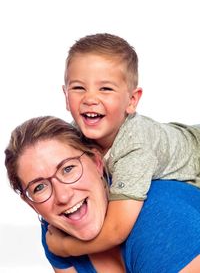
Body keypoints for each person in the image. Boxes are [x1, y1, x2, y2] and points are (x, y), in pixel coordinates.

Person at [46, 32, 200, 258]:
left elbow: (117, 230)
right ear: (65, 94)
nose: (90, 98)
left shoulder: (134, 149)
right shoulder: (74, 135)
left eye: (105, 89)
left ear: (132, 101)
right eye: (79, 88)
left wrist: (65, 248)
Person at [4, 115, 200, 272]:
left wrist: (66, 248)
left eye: (68, 169)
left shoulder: (159, 219)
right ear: (30, 202)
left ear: (97, 163)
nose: (63, 197)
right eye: (39, 187)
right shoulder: (56, 231)